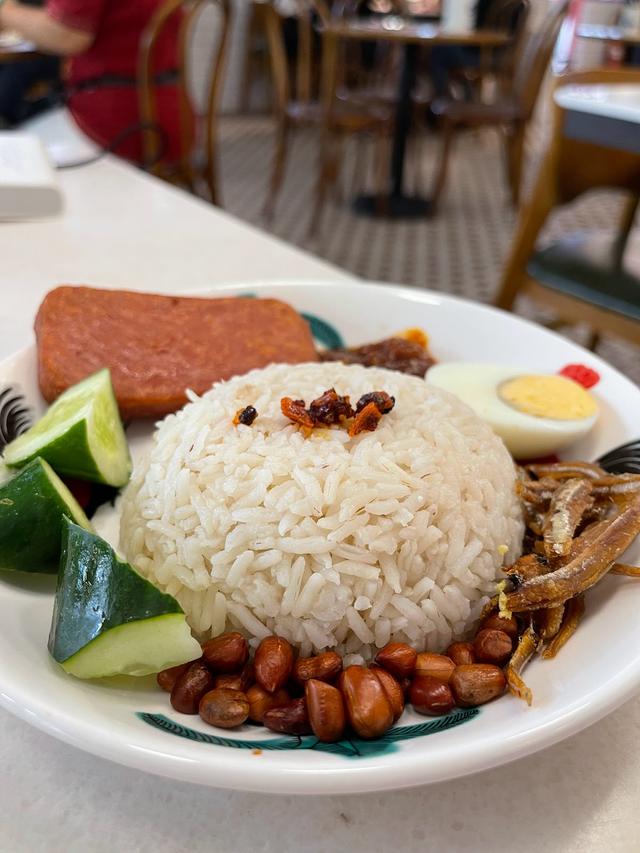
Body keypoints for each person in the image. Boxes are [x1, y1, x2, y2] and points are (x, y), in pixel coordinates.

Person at [0, 0, 186, 164]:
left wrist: (5, 11)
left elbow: (67, 35)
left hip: (120, 124)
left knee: (11, 155)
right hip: (171, 113)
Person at [430, 0, 525, 100]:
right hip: (496, 54)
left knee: (439, 51)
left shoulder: (497, 4)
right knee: (443, 49)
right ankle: (463, 98)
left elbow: (482, 32)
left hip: (488, 56)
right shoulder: (517, 4)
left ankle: (442, 102)